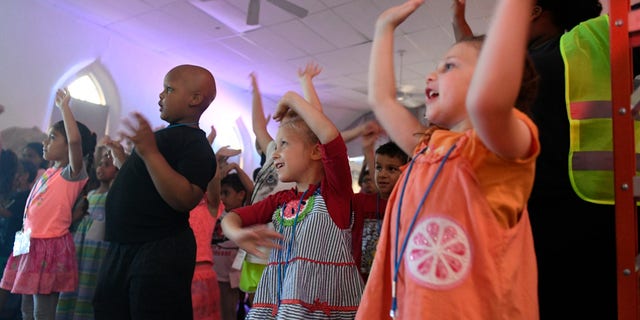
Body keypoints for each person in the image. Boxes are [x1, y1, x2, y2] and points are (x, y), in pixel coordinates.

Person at [357, 0, 541, 318]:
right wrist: (384, 26)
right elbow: (383, 99)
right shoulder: (429, 148)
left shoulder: (497, 154)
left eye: (449, 66)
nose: (432, 74)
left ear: (492, 76)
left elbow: (488, 103)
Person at [453, 1, 615, 318]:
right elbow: (476, 58)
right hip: (572, 207)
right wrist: (458, 21)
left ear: (532, 10)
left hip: (565, 212)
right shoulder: (535, 61)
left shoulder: (567, 49)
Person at [221, 89, 364, 319]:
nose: (275, 155)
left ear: (317, 152)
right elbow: (233, 217)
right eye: (275, 146)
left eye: (283, 144)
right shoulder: (281, 200)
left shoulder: (334, 194)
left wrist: (290, 98)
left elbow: (330, 137)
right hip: (281, 306)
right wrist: (236, 233)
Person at [92, 64, 217, 319]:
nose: (161, 95)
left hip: (158, 247)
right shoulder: (163, 139)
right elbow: (151, 181)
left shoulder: (195, 144)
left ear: (194, 99)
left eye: (169, 89)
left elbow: (184, 198)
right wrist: (124, 160)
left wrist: (148, 152)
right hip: (126, 244)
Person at [0, 88, 97, 320]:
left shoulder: (72, 174)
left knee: (42, 311)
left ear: (70, 148)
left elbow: (74, 141)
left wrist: (64, 108)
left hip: (49, 246)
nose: (45, 141)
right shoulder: (49, 172)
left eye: (53, 137)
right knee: (25, 306)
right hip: (28, 242)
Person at [56, 148, 118, 320]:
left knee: (89, 283)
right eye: (99, 165)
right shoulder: (90, 194)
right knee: (75, 280)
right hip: (80, 246)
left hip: (97, 249)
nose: (101, 168)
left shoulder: (113, 196)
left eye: (107, 165)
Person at [351, 140, 408, 283]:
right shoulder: (361, 202)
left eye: (391, 169)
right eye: (378, 168)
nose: (382, 174)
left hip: (395, 282)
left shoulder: (409, 205)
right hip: (361, 284)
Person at [212, 165, 252, 320]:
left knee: (229, 312)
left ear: (241, 195)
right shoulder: (217, 211)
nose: (221, 197)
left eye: (226, 193)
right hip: (215, 273)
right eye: (220, 192)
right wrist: (219, 176)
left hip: (232, 277)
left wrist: (237, 168)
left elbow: (251, 189)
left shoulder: (244, 214)